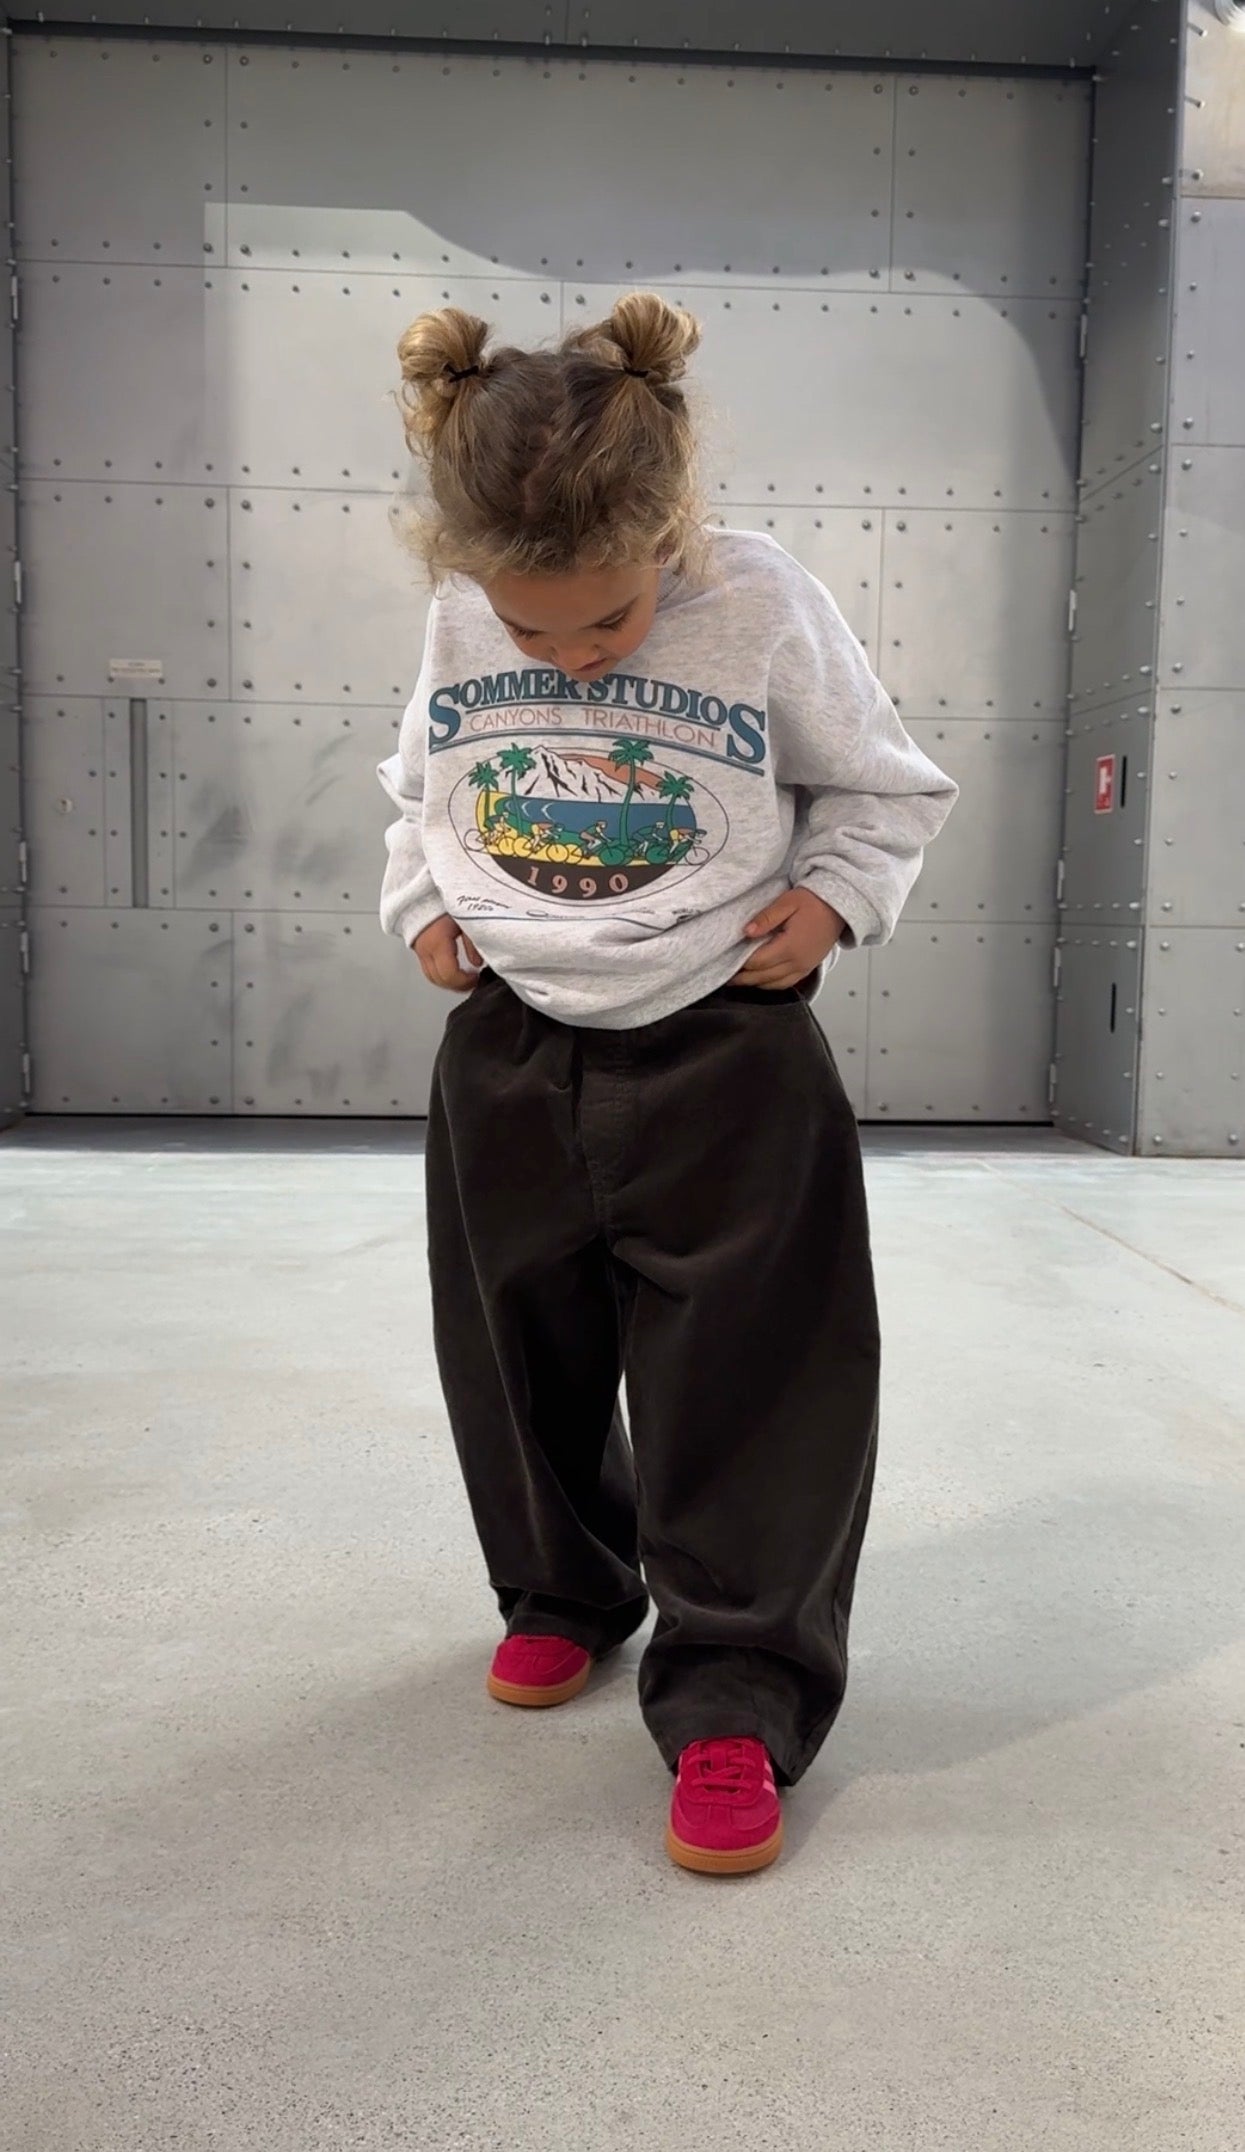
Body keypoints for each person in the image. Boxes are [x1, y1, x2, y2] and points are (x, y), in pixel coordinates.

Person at [378, 292, 957, 1876]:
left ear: (670, 529)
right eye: (531, 634)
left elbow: (883, 787)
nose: (567, 655)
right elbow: (417, 790)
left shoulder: (759, 597)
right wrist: (421, 904)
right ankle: (565, 1587)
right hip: (509, 1040)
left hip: (723, 1043)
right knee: (516, 1342)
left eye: (608, 624)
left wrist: (832, 899)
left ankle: (737, 1691)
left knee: (753, 1376)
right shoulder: (463, 608)